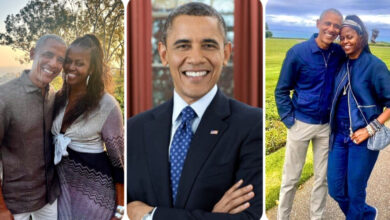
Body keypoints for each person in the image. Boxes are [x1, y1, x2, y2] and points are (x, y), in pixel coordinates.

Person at [127, 2, 262, 220]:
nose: (196, 58)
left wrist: (151, 216)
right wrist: (211, 216)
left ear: (225, 53)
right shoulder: (134, 129)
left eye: (208, 45)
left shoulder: (253, 125)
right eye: (183, 46)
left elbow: (250, 217)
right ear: (163, 54)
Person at [275, 9, 345, 220]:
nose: (332, 29)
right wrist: (289, 121)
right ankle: (282, 217)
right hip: (300, 124)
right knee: (291, 179)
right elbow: (281, 90)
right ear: (318, 24)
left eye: (337, 26)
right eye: (328, 24)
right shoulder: (298, 53)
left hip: (326, 126)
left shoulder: (338, 54)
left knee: (321, 178)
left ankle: (317, 217)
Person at [51, 34, 124, 220]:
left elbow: (120, 164)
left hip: (95, 199)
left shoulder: (107, 106)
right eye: (68, 61)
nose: (71, 67)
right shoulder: (59, 98)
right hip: (61, 194)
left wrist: (120, 211)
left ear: (92, 68)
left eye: (79, 63)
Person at [327, 15, 390, 220]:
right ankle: (368, 214)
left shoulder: (374, 66)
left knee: (355, 193)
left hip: (362, 139)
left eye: (350, 37)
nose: (344, 41)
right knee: (335, 189)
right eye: (342, 38)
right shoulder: (342, 65)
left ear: (361, 37)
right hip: (339, 137)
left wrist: (370, 129)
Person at [0, 34, 66, 220]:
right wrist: (1, 208)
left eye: (60, 59)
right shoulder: (5, 96)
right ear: (32, 53)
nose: (53, 63)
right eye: (48, 55)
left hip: (49, 197)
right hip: (15, 203)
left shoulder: (53, 94)